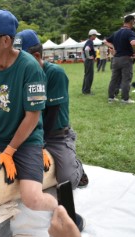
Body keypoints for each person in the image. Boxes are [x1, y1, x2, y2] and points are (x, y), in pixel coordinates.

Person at [0, 10, 61, 213]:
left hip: (26, 140)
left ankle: (61, 210)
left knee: (32, 198)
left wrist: (10, 151)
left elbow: (33, 116)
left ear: (6, 40)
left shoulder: (30, 68)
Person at [14, 29, 89, 189]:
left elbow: (52, 113)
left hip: (55, 134)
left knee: (66, 180)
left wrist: (40, 143)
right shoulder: (21, 75)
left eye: (19, 57)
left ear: (36, 57)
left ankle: (77, 167)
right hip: (30, 133)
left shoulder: (54, 73)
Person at [105, 15, 135, 104]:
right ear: (131, 21)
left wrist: (113, 47)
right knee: (126, 79)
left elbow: (105, 41)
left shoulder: (116, 33)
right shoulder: (130, 32)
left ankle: (111, 98)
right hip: (126, 59)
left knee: (114, 79)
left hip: (115, 59)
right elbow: (133, 43)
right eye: (134, 22)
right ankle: (125, 99)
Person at [81, 29, 100, 95]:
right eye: (95, 35)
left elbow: (84, 50)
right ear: (92, 35)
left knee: (87, 75)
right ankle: (87, 91)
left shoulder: (88, 41)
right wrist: (88, 57)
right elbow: (86, 49)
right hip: (89, 61)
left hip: (87, 61)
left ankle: (84, 90)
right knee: (89, 76)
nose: (96, 37)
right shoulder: (90, 42)